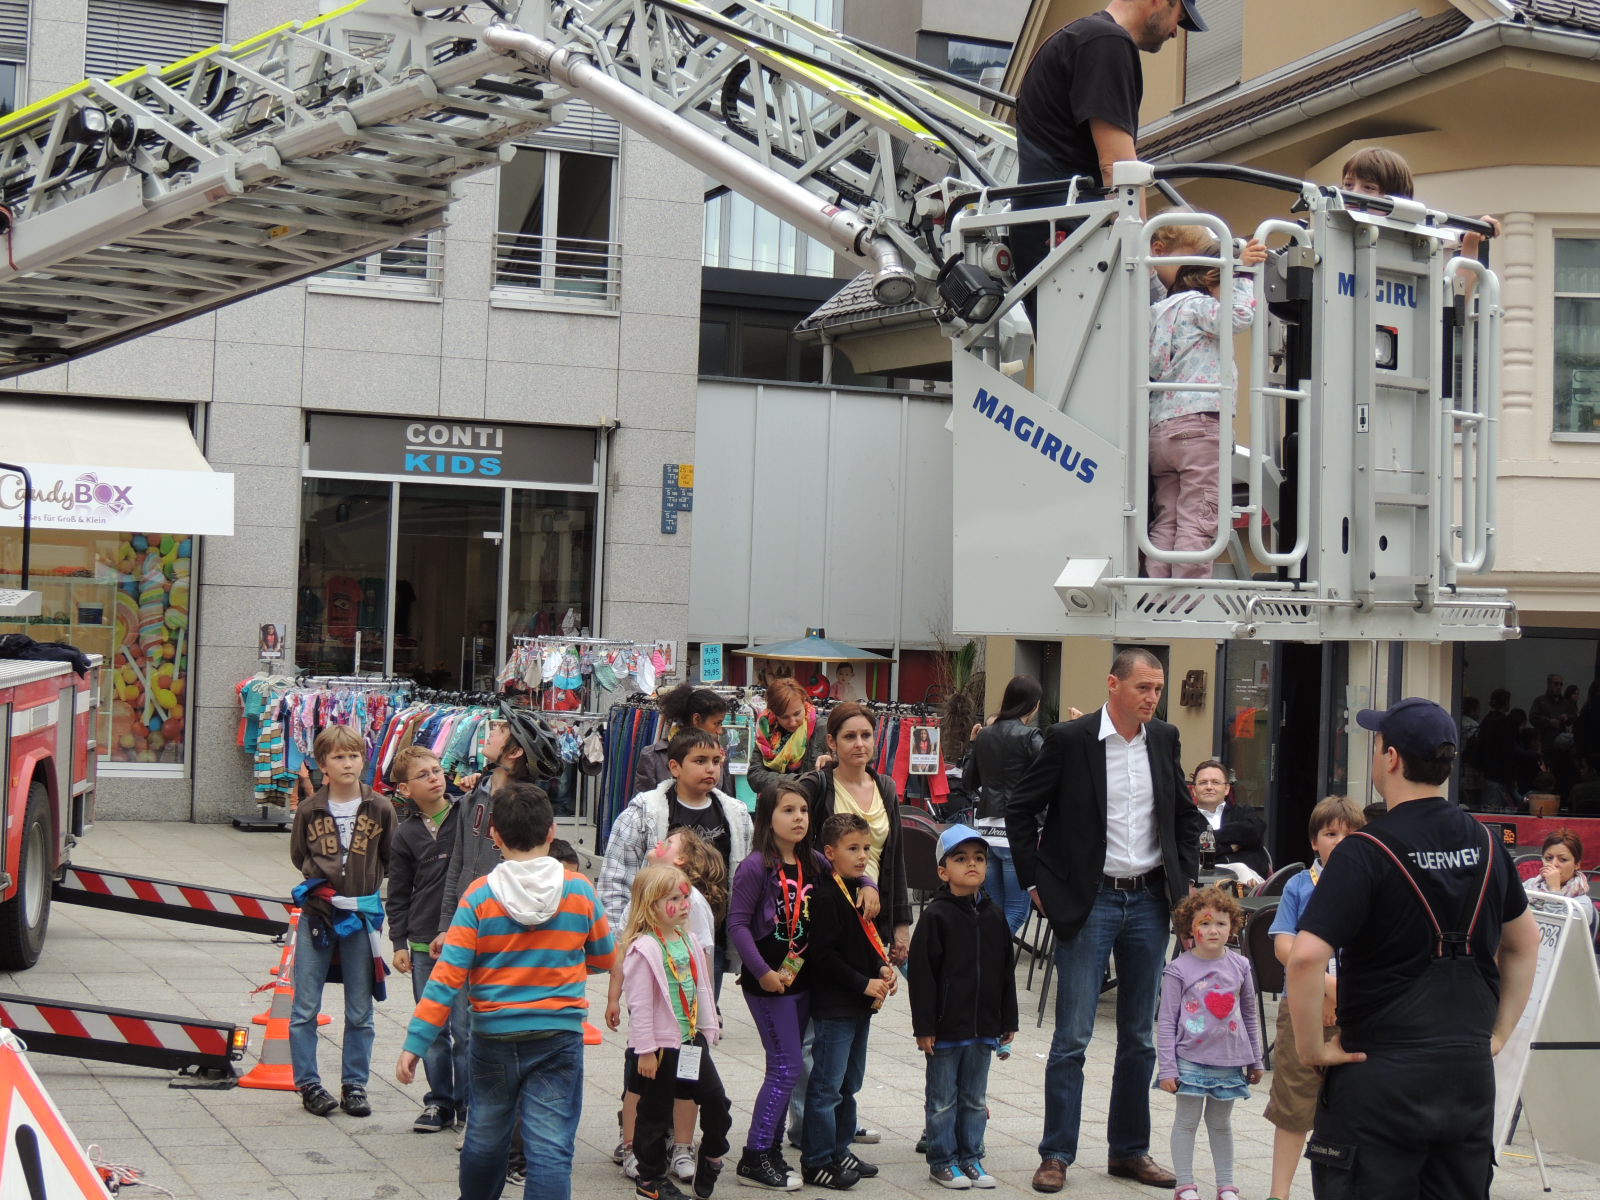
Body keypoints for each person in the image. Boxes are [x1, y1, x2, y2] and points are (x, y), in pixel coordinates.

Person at [1287, 697, 1540, 1200]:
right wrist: (1498, 1034)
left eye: (1377, 743)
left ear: (1392, 758)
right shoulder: (1487, 842)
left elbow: (1306, 956)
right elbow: (1525, 941)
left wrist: (1311, 1047)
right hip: (1466, 1075)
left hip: (1379, 1073)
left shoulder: (1363, 851)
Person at [1006, 646, 1206, 1193]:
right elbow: (1021, 809)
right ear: (1113, 685)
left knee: (1139, 1036)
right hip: (1089, 900)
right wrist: (1034, 882)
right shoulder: (1071, 740)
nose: (1153, 698)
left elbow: (1184, 816)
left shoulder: (1163, 739)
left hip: (1149, 900)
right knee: (1072, 1035)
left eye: (1158, 689)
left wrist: (1184, 879)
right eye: (1144, 687)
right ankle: (1056, 1153)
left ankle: (1129, 1151)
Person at [396, 783, 615, 1200]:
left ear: (494, 836)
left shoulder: (479, 895)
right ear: (551, 831)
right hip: (558, 1036)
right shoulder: (579, 890)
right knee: (551, 1147)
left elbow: (447, 976)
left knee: (485, 1135)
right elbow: (605, 957)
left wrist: (416, 1042)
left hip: (492, 1037)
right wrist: (566, 963)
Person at [1012, 0, 1206, 308]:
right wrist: (1145, 272)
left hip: (1049, 235)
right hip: (1073, 236)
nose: (1175, 32)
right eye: (1178, 17)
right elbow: (1119, 168)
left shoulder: (1074, 38)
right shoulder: (1106, 41)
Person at [288, 724, 396, 1119]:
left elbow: (390, 856)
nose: (347, 763)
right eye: (338, 757)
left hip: (361, 917)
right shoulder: (309, 809)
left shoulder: (380, 807)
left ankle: (355, 1084)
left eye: (353, 755)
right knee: (304, 1006)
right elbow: (299, 855)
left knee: (360, 1009)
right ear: (323, 765)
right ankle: (308, 1084)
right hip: (318, 915)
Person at [1262, 795, 1366, 1200]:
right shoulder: (1300, 885)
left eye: (1351, 835)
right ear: (1313, 841)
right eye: (1331, 834)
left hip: (1358, 1008)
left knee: (1356, 1104)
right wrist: (1325, 985)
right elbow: (1283, 947)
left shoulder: (1372, 883)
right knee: (1294, 1102)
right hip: (1303, 1005)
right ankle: (1279, 1192)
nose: (1341, 842)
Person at [1146, 229, 1266, 578]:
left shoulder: (1158, 312)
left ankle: (1155, 590)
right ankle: (1187, 594)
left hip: (1161, 431)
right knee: (1198, 518)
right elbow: (1239, 316)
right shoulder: (1200, 306)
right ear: (1212, 279)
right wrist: (1242, 275)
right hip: (1199, 427)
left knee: (1167, 519)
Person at [607, 828, 723, 1183]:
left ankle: (705, 1152)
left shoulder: (689, 935)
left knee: (711, 1099)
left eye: (684, 896)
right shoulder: (644, 947)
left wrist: (708, 1023)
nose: (684, 904)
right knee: (651, 1110)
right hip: (657, 1044)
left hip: (689, 1039)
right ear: (651, 905)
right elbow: (640, 1003)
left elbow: (702, 983)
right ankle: (647, 1172)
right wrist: (644, 1049)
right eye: (674, 899)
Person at [909, 824, 1018, 1190]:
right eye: (960, 858)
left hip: (984, 1027)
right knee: (942, 1099)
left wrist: (1008, 1019)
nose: (972, 864)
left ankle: (971, 1157)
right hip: (945, 1028)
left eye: (979, 858)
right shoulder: (935, 916)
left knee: (973, 1099)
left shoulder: (995, 914)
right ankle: (942, 1161)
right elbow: (922, 976)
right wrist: (925, 1027)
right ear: (943, 871)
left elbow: (1005, 972)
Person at [728, 779, 822, 1191]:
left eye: (803, 810)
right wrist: (762, 971)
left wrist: (870, 886)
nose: (799, 818)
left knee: (784, 1067)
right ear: (767, 817)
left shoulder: (813, 861)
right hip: (768, 984)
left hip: (801, 981)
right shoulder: (756, 866)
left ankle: (771, 1151)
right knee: (787, 1067)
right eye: (788, 810)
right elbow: (737, 924)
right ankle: (753, 1157)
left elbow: (849, 877)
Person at [599, 729, 752, 977]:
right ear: (675, 767)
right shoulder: (644, 813)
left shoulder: (736, 815)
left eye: (716, 761)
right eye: (700, 761)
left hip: (710, 942)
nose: (711, 769)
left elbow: (744, 878)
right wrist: (619, 942)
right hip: (652, 941)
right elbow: (615, 878)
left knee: (703, 999)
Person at [801, 812, 898, 1191]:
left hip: (858, 1005)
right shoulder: (827, 895)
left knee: (849, 1084)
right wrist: (863, 983)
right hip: (835, 1007)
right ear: (830, 852)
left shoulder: (856, 889)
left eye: (866, 848)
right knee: (827, 1087)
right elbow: (823, 956)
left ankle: (840, 1150)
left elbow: (862, 943)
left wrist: (881, 967)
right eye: (852, 848)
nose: (862, 856)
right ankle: (817, 1160)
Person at [1157, 887, 1263, 1200]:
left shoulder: (1241, 965)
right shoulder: (1178, 969)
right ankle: (1185, 1185)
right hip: (1189, 1060)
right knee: (1186, 1122)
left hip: (1228, 1061)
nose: (1213, 930)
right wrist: (1167, 1068)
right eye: (1204, 923)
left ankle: (1226, 1185)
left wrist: (1255, 1059)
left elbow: (1249, 1013)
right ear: (1190, 928)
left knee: (1220, 1124)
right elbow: (1166, 1021)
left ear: (1233, 927)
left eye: (1220, 923)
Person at [385, 745, 467, 1134]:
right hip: (421, 944)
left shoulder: (466, 814)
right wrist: (398, 942)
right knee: (432, 1028)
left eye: (437, 770)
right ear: (404, 789)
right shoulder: (405, 834)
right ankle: (439, 1101)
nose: (435, 777)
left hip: (464, 939)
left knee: (465, 1029)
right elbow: (398, 893)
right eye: (424, 774)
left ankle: (467, 1102)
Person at [965, 675, 1047, 934]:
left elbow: (968, 781)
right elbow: (1050, 776)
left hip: (986, 831)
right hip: (1017, 833)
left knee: (995, 908)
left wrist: (973, 745)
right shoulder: (1031, 737)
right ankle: (984, 950)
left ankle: (984, 954)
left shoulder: (985, 736)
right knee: (1017, 911)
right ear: (1033, 704)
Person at [635, 684, 734, 796]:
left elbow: (726, 799)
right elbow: (643, 803)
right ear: (697, 719)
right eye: (717, 723)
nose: (720, 731)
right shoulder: (654, 756)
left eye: (714, 762)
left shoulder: (719, 756)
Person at [749, 678, 831, 799]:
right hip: (775, 805)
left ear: (804, 701)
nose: (792, 722)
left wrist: (833, 761)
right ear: (774, 713)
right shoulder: (766, 732)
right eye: (784, 717)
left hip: (812, 806)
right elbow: (755, 776)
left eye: (797, 714)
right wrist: (803, 781)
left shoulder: (824, 729)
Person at [1188, 759, 1269, 881]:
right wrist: (1230, 847)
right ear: (1194, 790)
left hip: (1249, 885)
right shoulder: (1187, 820)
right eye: (1203, 782)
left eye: (1215, 782)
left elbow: (1254, 832)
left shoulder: (1242, 811)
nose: (1209, 787)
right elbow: (1192, 853)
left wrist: (1211, 837)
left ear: (1226, 789)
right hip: (1204, 885)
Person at [1524, 828, 1596, 935]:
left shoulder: (1581, 904)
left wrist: (1554, 891)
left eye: (1563, 860)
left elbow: (1554, 935)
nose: (1554, 864)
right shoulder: (1529, 885)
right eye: (1549, 858)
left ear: (1577, 864)